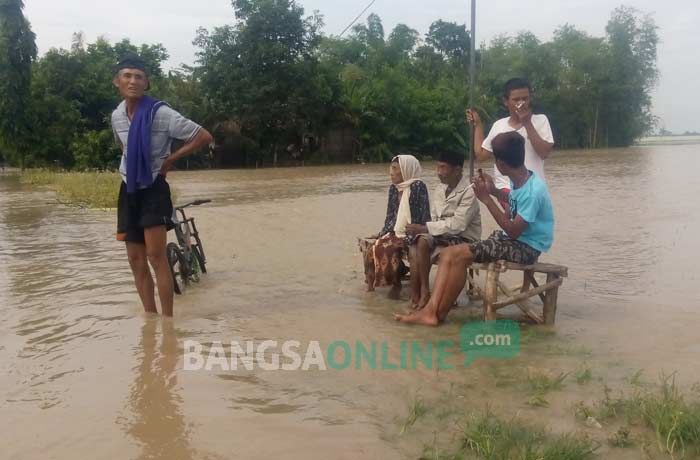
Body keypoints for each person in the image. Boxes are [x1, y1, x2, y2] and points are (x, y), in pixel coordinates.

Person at [395, 131, 554, 326]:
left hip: (526, 247)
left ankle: (436, 314)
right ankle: (431, 311)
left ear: (501, 164)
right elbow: (513, 205)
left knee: (459, 255)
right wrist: (494, 190)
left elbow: (514, 230)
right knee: (448, 255)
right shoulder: (520, 179)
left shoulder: (533, 191)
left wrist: (486, 199)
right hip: (511, 240)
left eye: (495, 159)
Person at [111, 54, 213, 316]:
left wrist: (170, 160)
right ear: (117, 82)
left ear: (147, 83)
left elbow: (202, 136)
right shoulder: (117, 116)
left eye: (139, 77)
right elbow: (124, 147)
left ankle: (168, 323)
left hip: (154, 187)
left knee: (156, 257)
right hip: (128, 188)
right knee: (135, 259)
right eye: (127, 76)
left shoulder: (162, 113)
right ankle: (150, 320)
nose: (133, 81)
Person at [404, 151, 481, 310]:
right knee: (419, 241)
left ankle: (430, 296)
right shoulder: (439, 189)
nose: (439, 172)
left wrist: (426, 228)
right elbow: (435, 217)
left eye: (443, 168)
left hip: (464, 238)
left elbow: (459, 224)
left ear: (457, 170)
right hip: (443, 234)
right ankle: (424, 290)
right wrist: (425, 230)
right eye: (438, 167)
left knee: (424, 237)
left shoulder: (470, 191)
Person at [467, 77, 554, 207]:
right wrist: (478, 125)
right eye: (516, 99)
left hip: (534, 189)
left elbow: (544, 153)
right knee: (514, 224)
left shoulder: (541, 120)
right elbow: (481, 156)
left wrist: (527, 123)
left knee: (526, 226)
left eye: (525, 98)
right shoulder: (499, 126)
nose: (522, 103)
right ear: (505, 101)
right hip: (505, 189)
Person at [361, 155, 430, 299]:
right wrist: (382, 233)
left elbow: (422, 217)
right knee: (372, 247)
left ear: (406, 170)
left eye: (394, 168)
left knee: (388, 249)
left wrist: (408, 234)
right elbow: (390, 216)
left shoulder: (418, 187)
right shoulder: (393, 189)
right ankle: (373, 286)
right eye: (391, 168)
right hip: (396, 231)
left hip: (412, 231)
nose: (391, 172)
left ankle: (397, 284)